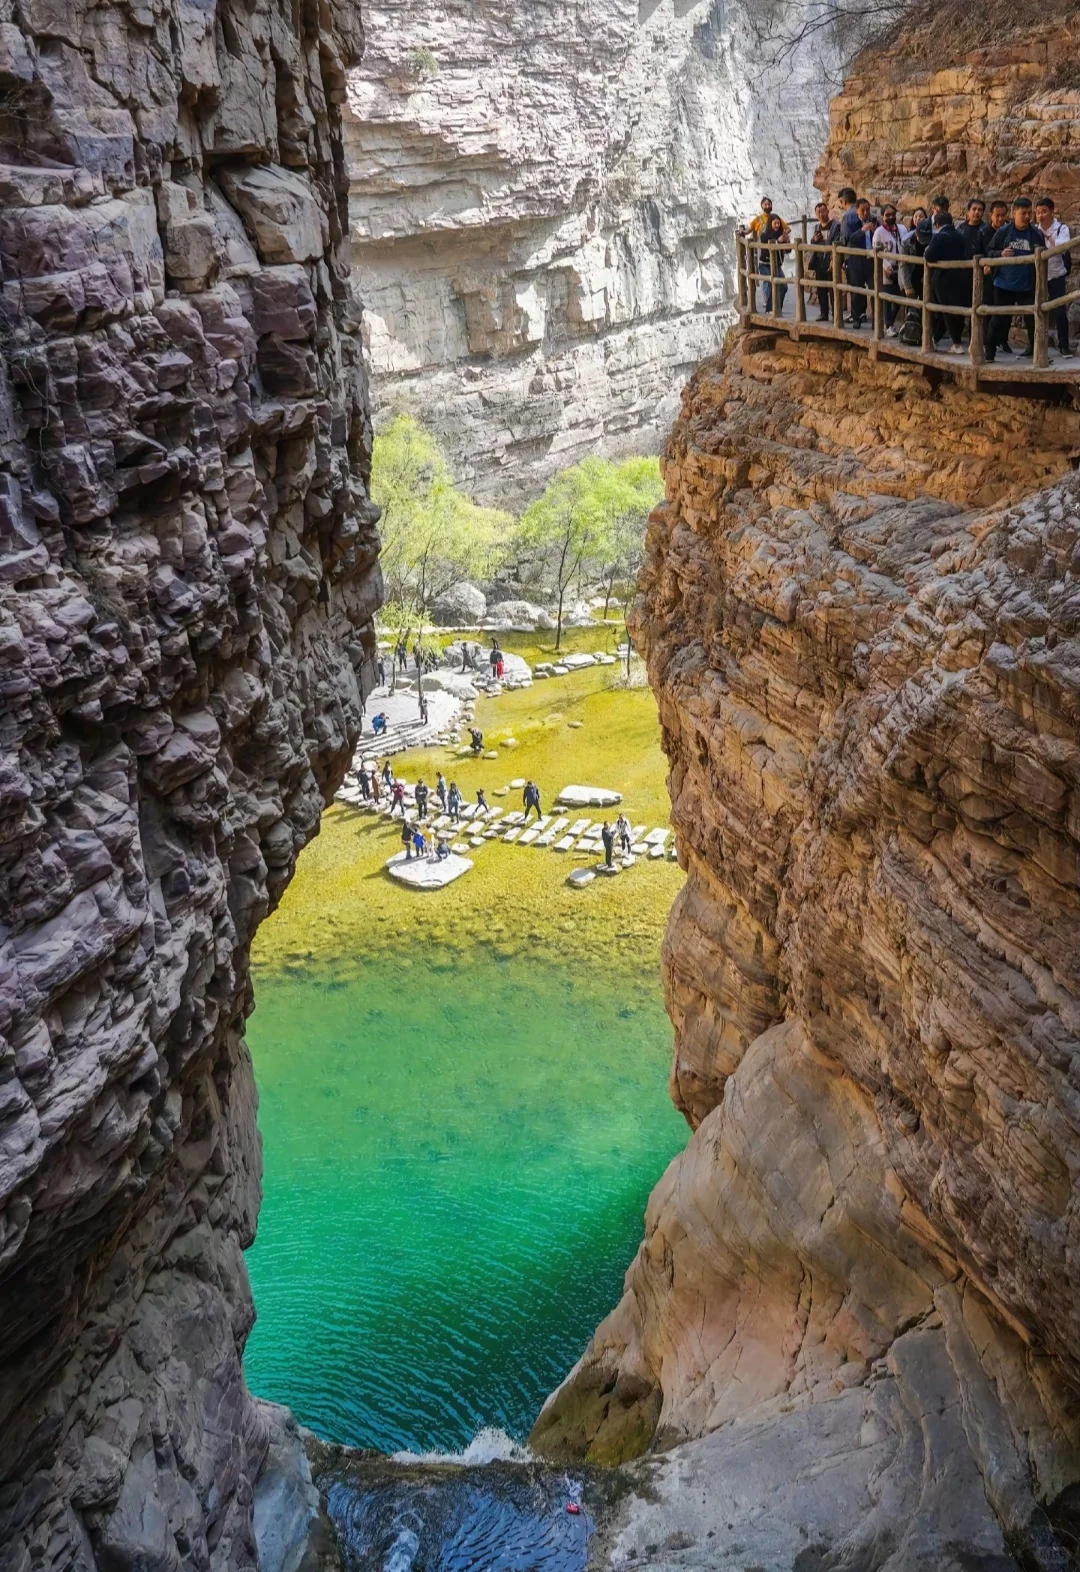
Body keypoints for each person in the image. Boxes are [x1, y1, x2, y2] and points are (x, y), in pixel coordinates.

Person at [984, 197, 1047, 360]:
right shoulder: (1004, 232)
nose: (1027, 217)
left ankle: (1035, 351)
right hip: (1003, 285)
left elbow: (1044, 255)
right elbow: (989, 251)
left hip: (1026, 285)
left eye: (1029, 213)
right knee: (997, 320)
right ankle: (989, 352)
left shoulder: (1035, 234)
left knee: (1034, 319)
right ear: (1014, 213)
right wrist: (1000, 254)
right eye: (1023, 213)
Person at [924, 208, 967, 351]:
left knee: (945, 311)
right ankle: (935, 339)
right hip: (959, 278)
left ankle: (956, 344)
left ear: (937, 225)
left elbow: (929, 256)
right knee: (952, 311)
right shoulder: (959, 236)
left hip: (942, 279)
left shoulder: (939, 237)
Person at [1035, 195, 1071, 356]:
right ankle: (1034, 346)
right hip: (1038, 275)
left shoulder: (1061, 228)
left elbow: (1062, 247)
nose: (1040, 215)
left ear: (1052, 211)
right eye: (1038, 212)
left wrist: (1047, 235)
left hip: (1056, 274)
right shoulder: (1034, 230)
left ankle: (1064, 345)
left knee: (1059, 310)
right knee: (1035, 309)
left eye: (1043, 211)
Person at [872, 204, 904, 332]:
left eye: (892, 214)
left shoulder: (901, 229)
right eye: (887, 215)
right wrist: (886, 266)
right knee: (887, 297)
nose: (890, 217)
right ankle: (888, 325)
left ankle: (891, 322)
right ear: (883, 216)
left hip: (900, 267)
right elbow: (876, 250)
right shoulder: (879, 232)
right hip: (886, 269)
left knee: (900, 296)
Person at [808, 201, 841, 321]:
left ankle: (836, 314)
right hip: (819, 262)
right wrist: (814, 239)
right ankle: (824, 313)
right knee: (821, 289)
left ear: (827, 211)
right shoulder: (817, 227)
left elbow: (838, 240)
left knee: (833, 289)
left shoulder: (836, 225)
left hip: (831, 262)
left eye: (823, 211)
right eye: (818, 212)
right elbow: (813, 242)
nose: (821, 214)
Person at [758, 212, 790, 314]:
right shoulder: (764, 235)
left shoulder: (781, 235)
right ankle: (770, 310)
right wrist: (778, 242)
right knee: (774, 283)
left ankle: (777, 309)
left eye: (778, 223)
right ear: (770, 224)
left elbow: (788, 251)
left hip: (776, 266)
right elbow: (767, 246)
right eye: (775, 223)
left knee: (783, 286)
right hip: (765, 265)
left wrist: (787, 241)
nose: (777, 226)